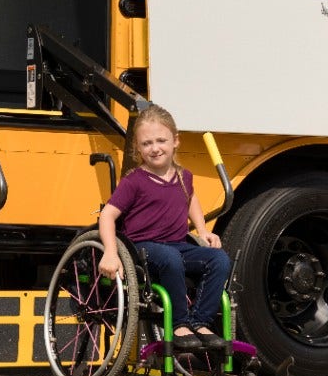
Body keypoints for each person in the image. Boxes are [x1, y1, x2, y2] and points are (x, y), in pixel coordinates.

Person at [97, 105, 231, 350]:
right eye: (147, 143)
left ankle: (199, 322)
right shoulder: (134, 180)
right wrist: (110, 252)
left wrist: (202, 231)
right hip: (143, 248)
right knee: (170, 258)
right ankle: (179, 324)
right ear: (137, 148)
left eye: (161, 140)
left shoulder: (183, 176)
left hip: (178, 245)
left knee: (219, 260)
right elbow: (107, 215)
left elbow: (191, 199)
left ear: (175, 141)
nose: (155, 148)